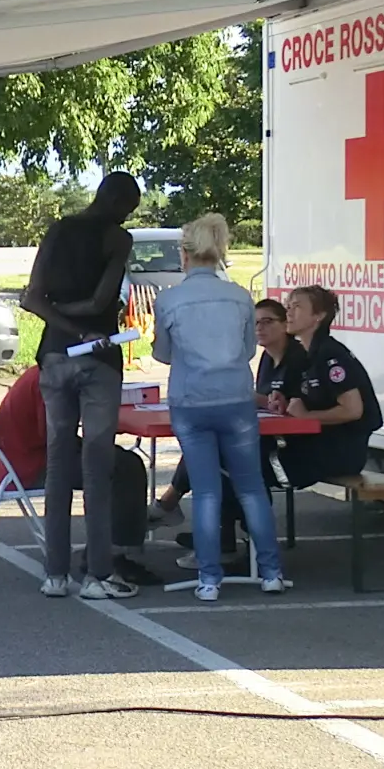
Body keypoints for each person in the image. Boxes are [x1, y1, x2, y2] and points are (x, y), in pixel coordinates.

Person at [151, 214, 288, 600]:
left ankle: (209, 579)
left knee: (207, 492)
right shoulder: (241, 297)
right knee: (251, 488)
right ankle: (271, 572)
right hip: (236, 398)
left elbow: (163, 354)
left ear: (185, 254)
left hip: (191, 399)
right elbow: (248, 350)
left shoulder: (170, 299)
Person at [23, 171, 141, 600]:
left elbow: (31, 298)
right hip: (100, 358)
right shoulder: (117, 240)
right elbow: (98, 301)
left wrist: (63, 322)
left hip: (53, 356)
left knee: (58, 464)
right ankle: (98, 574)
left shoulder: (59, 230)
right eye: (129, 209)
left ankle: (54, 574)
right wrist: (88, 331)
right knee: (97, 464)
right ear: (120, 204)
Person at [0, 363, 158, 585]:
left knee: (120, 462)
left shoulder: (45, 374)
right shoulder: (49, 383)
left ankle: (109, 547)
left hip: (20, 459)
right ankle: (114, 552)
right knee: (125, 468)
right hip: (31, 464)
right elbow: (53, 436)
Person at [150, 296, 308, 524]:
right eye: (254, 323)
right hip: (261, 435)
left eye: (267, 322)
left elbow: (293, 405)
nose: (259, 329)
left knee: (216, 451)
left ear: (285, 325)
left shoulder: (297, 358)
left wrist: (259, 400)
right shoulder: (266, 358)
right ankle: (216, 535)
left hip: (288, 445)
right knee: (210, 443)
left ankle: (174, 508)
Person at [270, 283, 383, 488]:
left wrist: (306, 417)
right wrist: (285, 402)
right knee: (244, 461)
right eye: (288, 306)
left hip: (340, 452)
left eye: (297, 307)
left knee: (251, 467)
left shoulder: (330, 354)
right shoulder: (306, 354)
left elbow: (352, 410)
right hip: (313, 446)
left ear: (319, 316)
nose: (289, 312)